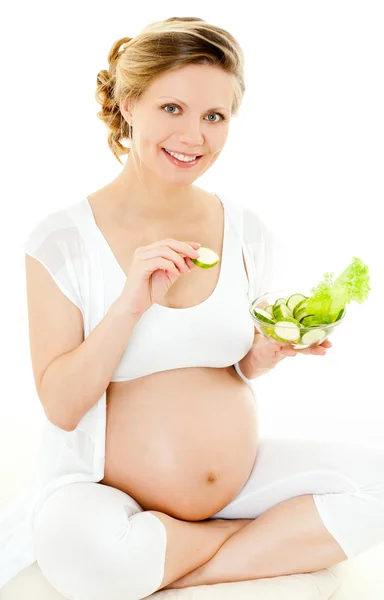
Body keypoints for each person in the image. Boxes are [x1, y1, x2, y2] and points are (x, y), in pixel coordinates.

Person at [1, 16, 384, 600]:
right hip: (105, 496)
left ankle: (183, 558)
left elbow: (229, 366)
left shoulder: (245, 229)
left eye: (214, 117)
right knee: (84, 551)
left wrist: (261, 355)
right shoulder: (62, 239)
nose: (194, 136)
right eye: (171, 109)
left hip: (238, 481)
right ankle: (253, 543)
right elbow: (60, 404)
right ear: (130, 104)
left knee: (377, 483)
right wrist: (131, 302)